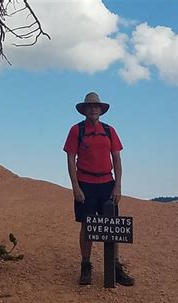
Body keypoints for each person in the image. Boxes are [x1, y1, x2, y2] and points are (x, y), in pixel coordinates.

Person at [63, 92, 135, 286]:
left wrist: (118, 185)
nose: (94, 109)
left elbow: (117, 159)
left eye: (97, 107)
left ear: (101, 110)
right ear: (85, 110)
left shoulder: (109, 130)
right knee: (87, 225)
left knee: (113, 226)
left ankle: (115, 267)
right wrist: (75, 187)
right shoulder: (76, 130)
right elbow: (70, 159)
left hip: (106, 184)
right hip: (85, 183)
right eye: (90, 107)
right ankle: (86, 266)